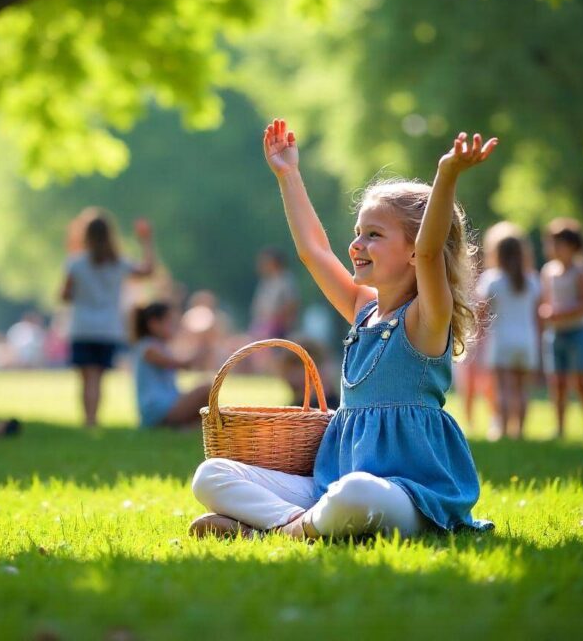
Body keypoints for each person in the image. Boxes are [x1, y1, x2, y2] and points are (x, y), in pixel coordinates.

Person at [190, 120, 496, 540]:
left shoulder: (426, 319)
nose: (356, 245)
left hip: (409, 498)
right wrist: (288, 174)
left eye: (374, 235)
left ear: (412, 252)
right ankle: (298, 526)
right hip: (332, 486)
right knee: (211, 475)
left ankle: (276, 530)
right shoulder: (361, 310)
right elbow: (313, 250)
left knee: (356, 493)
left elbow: (430, 253)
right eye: (357, 233)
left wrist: (446, 175)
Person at [61, 211, 154, 427]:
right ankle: (93, 419)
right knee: (98, 378)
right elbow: (148, 271)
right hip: (108, 328)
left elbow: (64, 295)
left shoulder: (76, 263)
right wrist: (146, 241)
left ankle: (89, 420)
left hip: (82, 327)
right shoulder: (119, 263)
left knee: (87, 379)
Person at [476, 226, 541, 439]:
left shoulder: (492, 280)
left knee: (502, 387)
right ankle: (519, 431)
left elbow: (481, 311)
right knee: (521, 389)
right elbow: (537, 314)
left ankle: (502, 429)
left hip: (501, 340)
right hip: (527, 340)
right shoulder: (532, 280)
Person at [540, 218, 583, 438]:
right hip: (555, 333)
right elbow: (546, 301)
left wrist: (562, 313)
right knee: (558, 383)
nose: (553, 248)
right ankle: (560, 428)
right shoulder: (548, 271)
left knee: (581, 382)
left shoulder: (579, 271)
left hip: (577, 333)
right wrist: (546, 312)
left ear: (573, 246)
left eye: (559, 243)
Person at [132, 302, 211, 428]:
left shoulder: (161, 346)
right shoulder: (148, 347)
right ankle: (185, 426)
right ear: (154, 324)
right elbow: (179, 364)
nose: (175, 328)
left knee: (205, 398)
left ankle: (188, 428)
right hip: (157, 410)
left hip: (167, 405)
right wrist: (200, 352)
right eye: (171, 323)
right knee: (206, 390)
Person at [249, 247, 300, 339]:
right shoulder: (265, 281)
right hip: (263, 325)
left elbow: (291, 304)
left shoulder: (285, 280)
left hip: (278, 329)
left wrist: (278, 320)